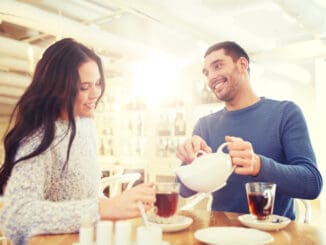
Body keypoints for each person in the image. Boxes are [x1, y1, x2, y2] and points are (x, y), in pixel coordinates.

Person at [0, 38, 155, 245]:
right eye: (84, 87)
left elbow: (87, 192)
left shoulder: (85, 126)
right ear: (58, 88)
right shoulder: (38, 137)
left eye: (97, 83)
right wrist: (104, 209)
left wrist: (118, 205)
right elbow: (17, 215)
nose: (95, 94)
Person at [176, 41, 323, 220]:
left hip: (273, 236)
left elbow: (312, 184)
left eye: (218, 66)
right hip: (219, 235)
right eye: (207, 73)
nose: (211, 77)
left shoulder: (285, 113)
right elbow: (181, 190)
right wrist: (192, 162)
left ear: (242, 65)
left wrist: (258, 165)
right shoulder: (205, 125)